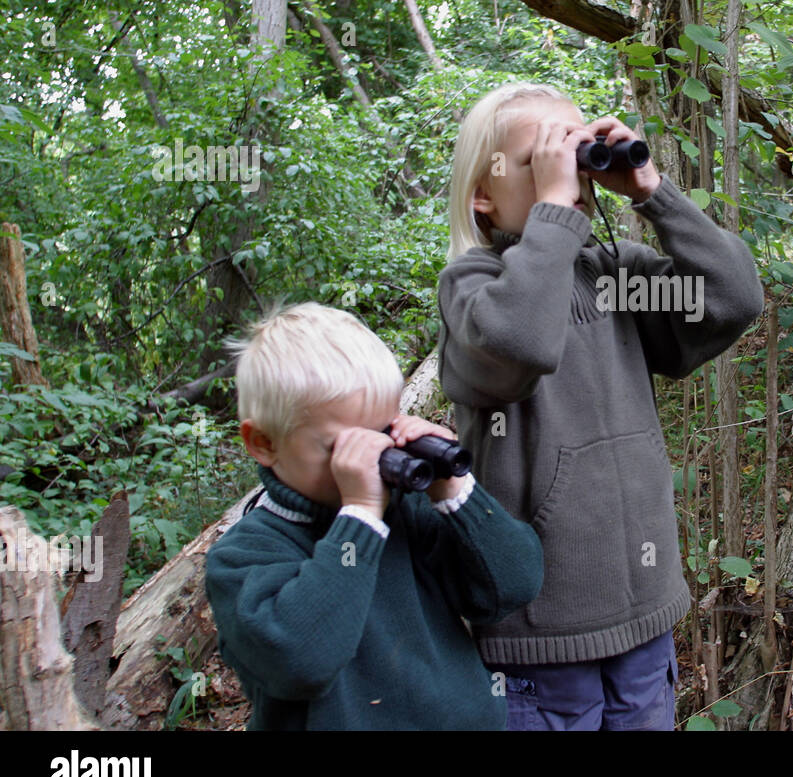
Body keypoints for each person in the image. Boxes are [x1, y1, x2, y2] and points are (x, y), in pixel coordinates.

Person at [437, 82, 764, 730]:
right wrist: (556, 212)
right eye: (542, 157)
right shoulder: (471, 290)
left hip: (644, 624)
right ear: (482, 192)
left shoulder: (620, 276)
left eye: (578, 148)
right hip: (535, 646)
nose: (569, 168)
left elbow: (734, 298)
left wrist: (652, 192)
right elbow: (522, 340)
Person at [205, 302, 543, 730]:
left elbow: (515, 585)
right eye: (342, 447)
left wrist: (454, 490)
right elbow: (302, 660)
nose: (374, 458)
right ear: (263, 443)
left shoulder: (408, 513)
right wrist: (361, 515)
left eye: (383, 434)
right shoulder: (243, 557)